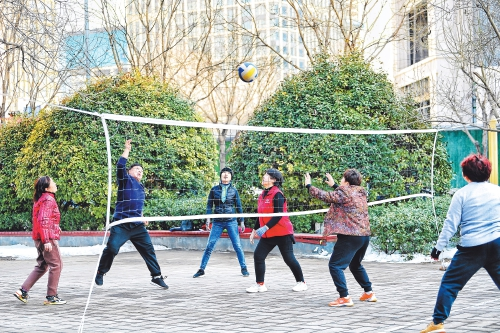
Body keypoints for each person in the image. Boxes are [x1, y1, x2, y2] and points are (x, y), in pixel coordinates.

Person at [420, 154, 500, 333]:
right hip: (497, 245)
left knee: (450, 284)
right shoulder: (498, 191)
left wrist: (438, 249)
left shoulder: (461, 195)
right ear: (488, 172)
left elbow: (451, 224)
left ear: (465, 175)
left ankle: (437, 323)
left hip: (472, 249)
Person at [95, 139, 168, 289]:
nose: (140, 171)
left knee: (148, 250)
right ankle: (101, 272)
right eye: (136, 169)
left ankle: (156, 276)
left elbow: (136, 205)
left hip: (137, 226)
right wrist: (127, 149)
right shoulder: (125, 180)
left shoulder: (141, 188)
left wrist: (141, 216)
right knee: (112, 248)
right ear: (129, 172)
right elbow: (120, 166)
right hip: (121, 224)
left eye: (141, 170)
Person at [305, 169, 376, 307]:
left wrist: (309, 186)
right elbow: (344, 195)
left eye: (342, 179)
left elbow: (325, 196)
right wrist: (334, 185)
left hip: (350, 236)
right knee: (355, 265)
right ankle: (369, 292)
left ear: (346, 181)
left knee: (335, 265)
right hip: (363, 236)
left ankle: (344, 297)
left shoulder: (344, 192)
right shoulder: (360, 192)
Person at [246, 168, 307, 293]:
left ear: (274, 179)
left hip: (282, 232)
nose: (263, 177)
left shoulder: (277, 194)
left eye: (266, 175)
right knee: (258, 255)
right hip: (268, 233)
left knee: (288, 258)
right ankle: (260, 284)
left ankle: (301, 282)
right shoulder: (262, 194)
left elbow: (278, 215)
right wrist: (254, 230)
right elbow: (261, 215)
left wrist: (265, 227)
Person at [14, 176, 66, 305]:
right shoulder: (48, 199)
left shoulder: (41, 199)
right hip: (46, 238)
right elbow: (43, 220)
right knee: (56, 265)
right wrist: (47, 240)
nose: (55, 183)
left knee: (42, 266)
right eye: (52, 182)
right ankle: (51, 297)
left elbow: (42, 219)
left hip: (39, 237)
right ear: (47, 188)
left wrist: (55, 226)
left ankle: (23, 291)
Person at [193, 167, 249, 278]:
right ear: (221, 175)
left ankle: (244, 268)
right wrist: (208, 219)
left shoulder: (234, 191)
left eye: (228, 173)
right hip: (217, 222)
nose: (226, 174)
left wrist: (241, 221)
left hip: (231, 221)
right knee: (209, 246)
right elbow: (209, 206)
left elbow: (238, 206)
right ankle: (201, 269)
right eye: (224, 172)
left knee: (237, 245)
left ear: (231, 177)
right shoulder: (214, 190)